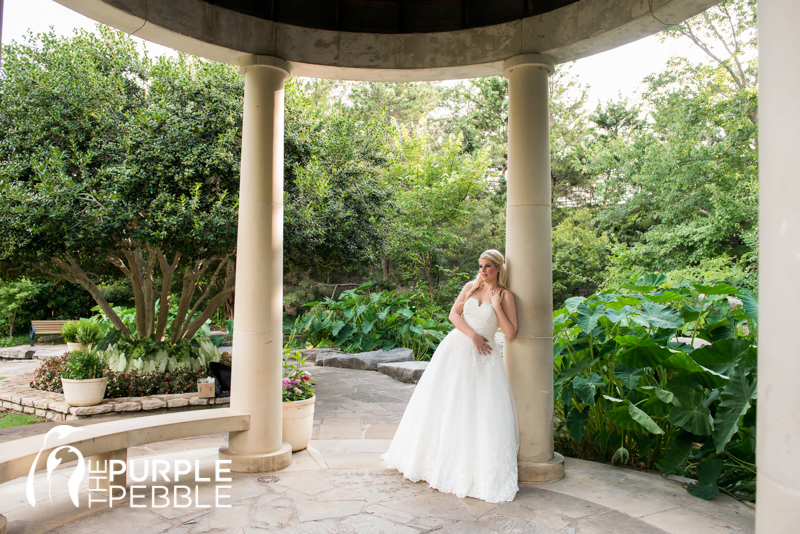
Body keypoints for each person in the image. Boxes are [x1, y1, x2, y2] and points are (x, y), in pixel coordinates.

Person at [382, 249, 520, 503]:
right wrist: (473, 335)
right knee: (443, 403)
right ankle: (432, 461)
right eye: (480, 265)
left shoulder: (505, 295)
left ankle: (470, 468)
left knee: (477, 410)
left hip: (484, 358)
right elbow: (453, 314)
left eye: (488, 266)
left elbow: (510, 333)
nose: (483, 270)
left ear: (499, 268)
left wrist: (498, 307)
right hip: (456, 349)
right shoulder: (470, 286)